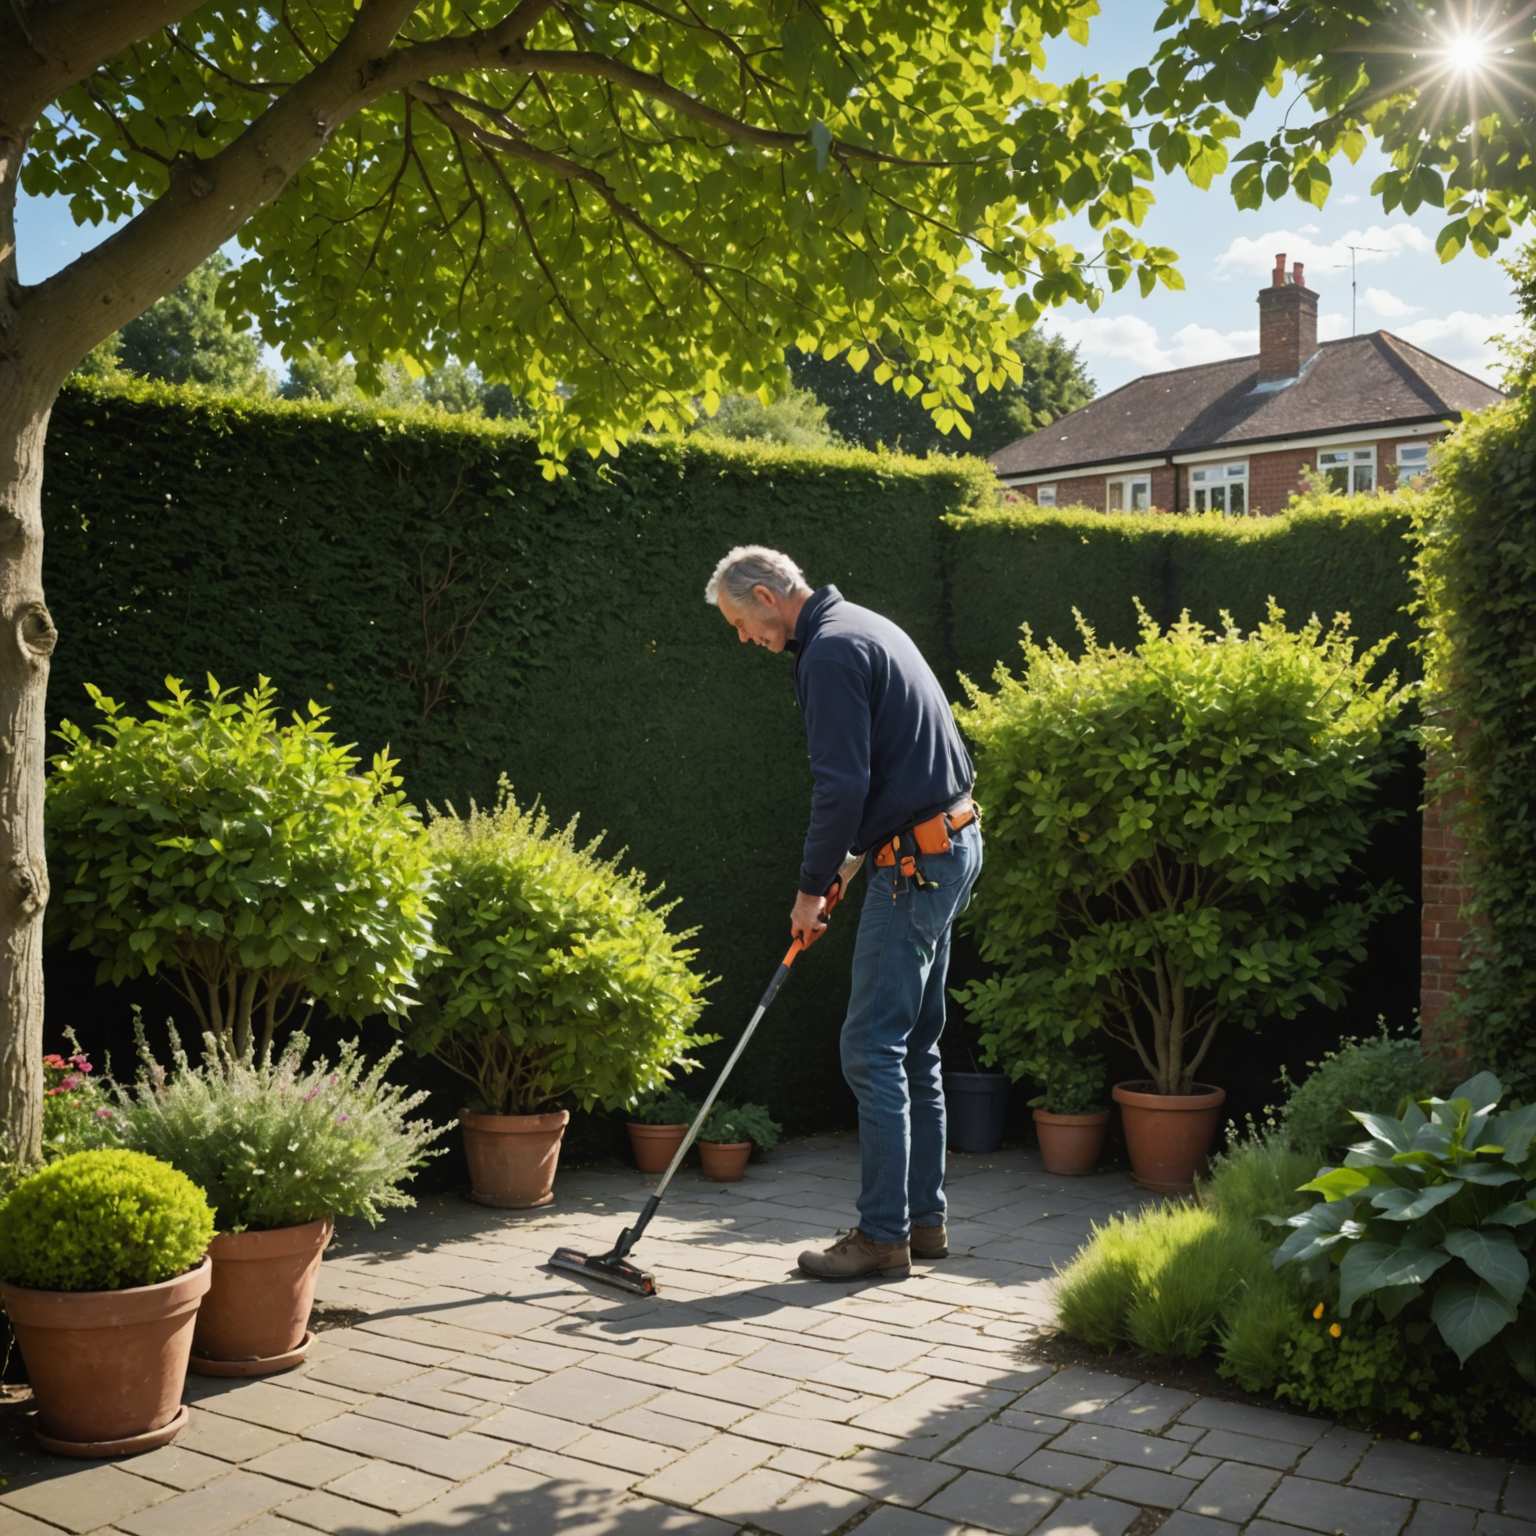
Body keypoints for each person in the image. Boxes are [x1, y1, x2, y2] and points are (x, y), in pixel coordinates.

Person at [704, 546, 983, 1280]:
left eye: (741, 622)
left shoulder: (827, 652)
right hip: (951, 841)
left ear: (765, 595)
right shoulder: (864, 625)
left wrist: (809, 887)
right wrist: (848, 870)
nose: (745, 638)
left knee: (870, 1047)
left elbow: (841, 785)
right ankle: (923, 1223)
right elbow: (894, 767)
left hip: (917, 866)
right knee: (913, 1043)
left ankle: (882, 1236)